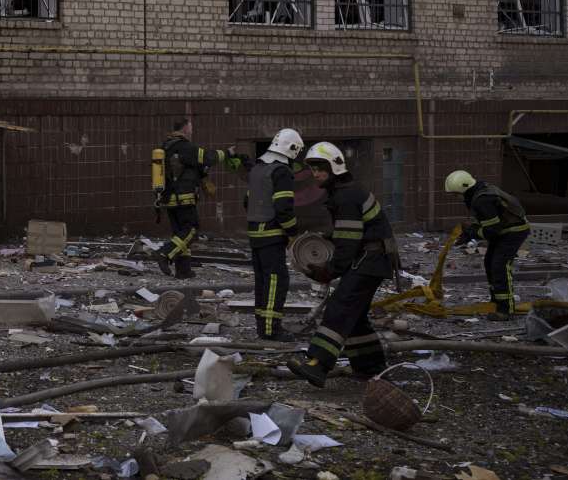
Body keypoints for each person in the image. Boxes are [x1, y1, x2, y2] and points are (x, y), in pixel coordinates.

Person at [287, 142, 396, 387]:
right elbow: (352, 233)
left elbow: (348, 242)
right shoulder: (346, 191)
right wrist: (329, 239)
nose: (315, 174)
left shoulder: (345, 196)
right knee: (354, 316)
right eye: (313, 169)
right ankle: (371, 367)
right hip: (373, 259)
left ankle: (318, 364)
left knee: (339, 307)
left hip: (369, 260)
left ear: (334, 167)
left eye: (319, 169)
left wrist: (330, 271)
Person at [155, 117, 248, 279]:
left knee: (180, 233)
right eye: (190, 128)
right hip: (183, 197)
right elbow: (207, 157)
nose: (192, 131)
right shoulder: (185, 147)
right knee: (191, 230)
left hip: (168, 198)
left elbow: (191, 166)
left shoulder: (166, 146)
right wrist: (228, 153)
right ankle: (165, 253)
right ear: (184, 129)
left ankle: (183, 270)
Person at [445, 170, 530, 320]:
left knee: (499, 265)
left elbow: (492, 231)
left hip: (513, 231)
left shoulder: (481, 200)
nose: (455, 197)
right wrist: (469, 233)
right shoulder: (477, 192)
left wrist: (472, 233)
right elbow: (486, 221)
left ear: (463, 188)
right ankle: (496, 301)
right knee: (489, 262)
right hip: (504, 230)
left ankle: (505, 309)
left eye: (455, 194)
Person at [245, 128, 304, 340]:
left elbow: (247, 201)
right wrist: (293, 233)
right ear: (293, 149)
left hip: (255, 234)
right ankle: (271, 329)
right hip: (272, 235)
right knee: (276, 281)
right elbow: (283, 208)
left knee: (262, 281)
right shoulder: (282, 172)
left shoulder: (257, 169)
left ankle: (262, 327)